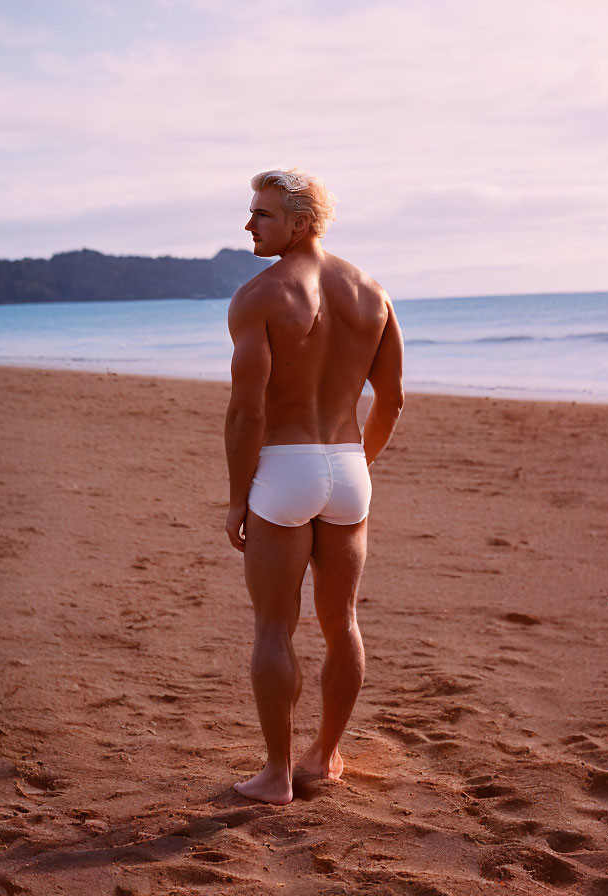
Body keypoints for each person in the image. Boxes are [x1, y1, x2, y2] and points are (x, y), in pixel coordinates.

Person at [224, 168, 404, 805]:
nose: (249, 224)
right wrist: (360, 466)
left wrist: (236, 497)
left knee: (274, 627)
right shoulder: (373, 295)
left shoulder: (261, 295)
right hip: (348, 466)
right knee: (342, 621)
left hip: (285, 468)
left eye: (263, 214)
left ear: (301, 223)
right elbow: (392, 401)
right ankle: (325, 757)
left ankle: (276, 775)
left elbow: (248, 413)